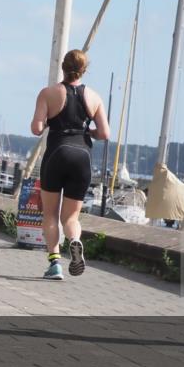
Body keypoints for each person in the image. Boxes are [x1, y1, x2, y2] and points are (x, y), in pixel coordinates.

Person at [30, 50, 110, 281]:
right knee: (71, 218)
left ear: (63, 67)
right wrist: (88, 131)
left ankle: (55, 264)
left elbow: (36, 129)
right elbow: (105, 133)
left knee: (50, 214)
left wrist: (46, 122)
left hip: (57, 152)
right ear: (84, 69)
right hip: (82, 156)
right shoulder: (94, 97)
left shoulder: (49, 93)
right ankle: (75, 241)